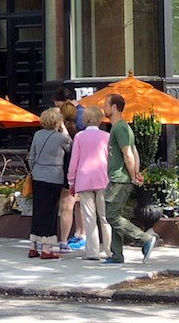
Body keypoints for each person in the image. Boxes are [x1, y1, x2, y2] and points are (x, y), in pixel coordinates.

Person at [103, 93, 156, 264]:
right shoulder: (123, 128)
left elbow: (128, 153)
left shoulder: (119, 128)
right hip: (120, 178)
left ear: (114, 107)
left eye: (106, 104)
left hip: (120, 180)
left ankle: (144, 239)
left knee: (111, 216)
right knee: (116, 215)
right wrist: (136, 172)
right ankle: (117, 255)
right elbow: (134, 152)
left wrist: (133, 175)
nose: (103, 108)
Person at [67, 107, 112, 261]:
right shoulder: (107, 136)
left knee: (89, 217)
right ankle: (109, 250)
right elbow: (111, 159)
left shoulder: (79, 137)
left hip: (84, 179)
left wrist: (71, 181)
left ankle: (92, 252)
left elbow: (74, 161)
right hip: (103, 179)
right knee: (105, 217)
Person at [27, 108, 72, 260]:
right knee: (50, 212)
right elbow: (71, 146)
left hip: (37, 176)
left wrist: (34, 170)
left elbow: (31, 156)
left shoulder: (37, 135)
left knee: (38, 210)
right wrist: (64, 129)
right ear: (57, 122)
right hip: (54, 177)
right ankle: (47, 249)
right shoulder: (60, 137)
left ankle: (33, 247)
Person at [58, 101, 86, 252]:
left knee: (66, 207)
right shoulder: (80, 131)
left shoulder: (65, 134)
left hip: (68, 173)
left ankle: (64, 240)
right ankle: (81, 234)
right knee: (78, 205)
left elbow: (70, 150)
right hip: (81, 173)